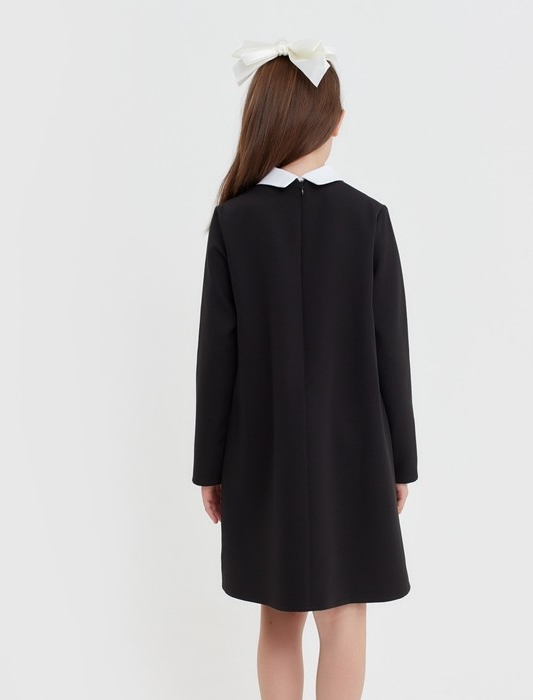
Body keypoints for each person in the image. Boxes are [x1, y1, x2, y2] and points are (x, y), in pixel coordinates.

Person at [192, 39, 418, 700]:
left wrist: (210, 468)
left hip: (261, 455)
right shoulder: (368, 219)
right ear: (336, 121)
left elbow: (216, 360)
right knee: (344, 616)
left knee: (278, 615)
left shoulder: (234, 223)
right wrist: (401, 462)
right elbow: (392, 351)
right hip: (356, 453)